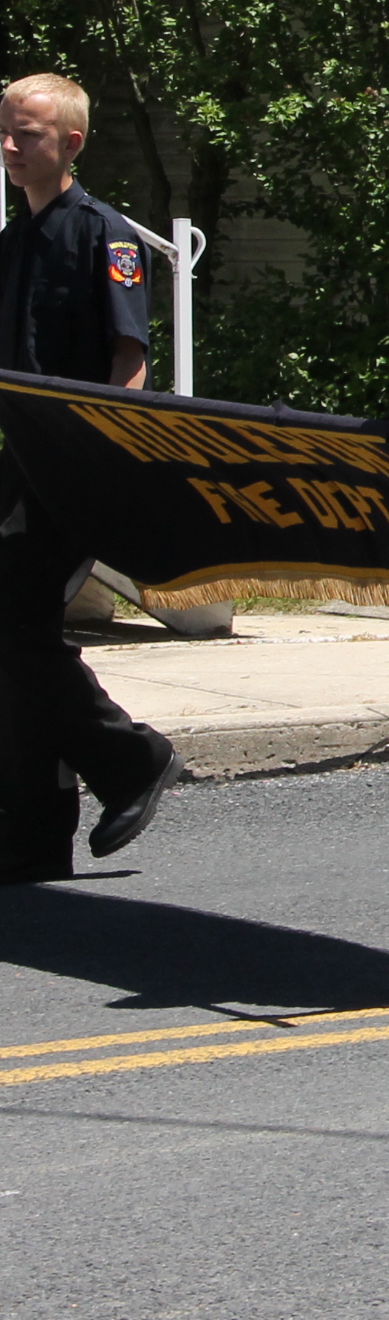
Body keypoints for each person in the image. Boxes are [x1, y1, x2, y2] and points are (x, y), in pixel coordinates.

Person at [0, 73, 180, 883]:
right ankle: (35, 834)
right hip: (21, 461)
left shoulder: (104, 234)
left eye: (27, 134)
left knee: (17, 627)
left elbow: (128, 359)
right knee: (18, 637)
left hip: (76, 463)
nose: (10, 147)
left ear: (70, 143)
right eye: (5, 132)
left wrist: (105, 462)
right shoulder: (16, 241)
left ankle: (132, 758)